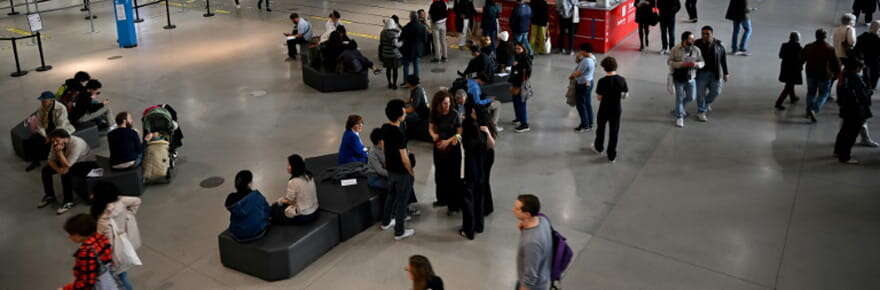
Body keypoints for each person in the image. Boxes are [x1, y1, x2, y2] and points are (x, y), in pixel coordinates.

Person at [90, 181, 141, 290]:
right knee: (122, 273)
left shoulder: (103, 217)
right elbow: (137, 201)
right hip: (124, 241)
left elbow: (104, 238)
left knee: (120, 277)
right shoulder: (121, 201)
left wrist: (107, 257)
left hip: (114, 252)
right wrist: (129, 214)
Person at [379, 99, 417, 240]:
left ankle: (386, 222)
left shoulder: (384, 127)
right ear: (399, 113)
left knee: (391, 195)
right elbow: (405, 158)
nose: (405, 111)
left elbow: (383, 148)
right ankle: (399, 231)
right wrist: (411, 172)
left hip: (390, 170)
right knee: (402, 201)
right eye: (403, 109)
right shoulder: (399, 133)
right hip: (401, 172)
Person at [39, 129, 98, 215]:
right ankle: (49, 195)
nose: (55, 143)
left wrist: (59, 152)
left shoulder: (77, 144)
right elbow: (50, 160)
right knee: (46, 170)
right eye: (53, 141)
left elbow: (68, 165)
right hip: (67, 160)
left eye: (57, 140)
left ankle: (68, 201)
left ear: (65, 138)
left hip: (85, 163)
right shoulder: (56, 143)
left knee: (66, 173)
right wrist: (58, 170)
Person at [460, 102, 495, 240]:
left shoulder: (470, 130)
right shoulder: (484, 129)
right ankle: (479, 226)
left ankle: (469, 229)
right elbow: (491, 146)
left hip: (471, 168)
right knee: (479, 197)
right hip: (482, 166)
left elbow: (465, 147)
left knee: (469, 200)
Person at [61, 214, 119, 290]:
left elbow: (87, 283)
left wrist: (66, 288)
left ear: (79, 234)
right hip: (111, 281)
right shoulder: (102, 238)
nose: (69, 237)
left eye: (71, 234)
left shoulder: (86, 253)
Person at [834, 59, 874, 164]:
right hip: (855, 109)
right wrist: (868, 93)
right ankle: (845, 156)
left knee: (844, 130)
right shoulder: (855, 78)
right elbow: (862, 95)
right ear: (856, 68)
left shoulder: (844, 76)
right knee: (851, 133)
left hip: (846, 107)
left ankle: (838, 151)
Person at [428, 90, 462, 212]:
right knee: (440, 174)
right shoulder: (434, 113)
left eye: (447, 103)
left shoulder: (455, 114)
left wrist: (448, 141)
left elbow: (459, 134)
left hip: (452, 148)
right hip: (439, 148)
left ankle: (454, 203)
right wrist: (433, 135)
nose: (446, 106)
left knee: (453, 176)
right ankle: (442, 199)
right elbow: (431, 128)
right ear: (438, 104)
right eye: (443, 103)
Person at [25, 91, 76, 172]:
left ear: (51, 100)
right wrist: (45, 136)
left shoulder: (61, 108)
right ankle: (35, 162)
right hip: (47, 130)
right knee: (33, 140)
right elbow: (39, 124)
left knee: (57, 143)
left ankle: (59, 162)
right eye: (41, 100)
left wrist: (51, 136)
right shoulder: (41, 108)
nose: (42, 102)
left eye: (44, 100)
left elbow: (61, 125)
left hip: (60, 130)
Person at [512, 194, 552, 290]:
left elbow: (530, 277)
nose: (513, 210)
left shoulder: (532, 243)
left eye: (517, 209)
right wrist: (524, 226)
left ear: (527, 214)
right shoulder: (543, 220)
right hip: (543, 274)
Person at [593, 57, 629, 163]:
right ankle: (611, 155)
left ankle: (599, 147)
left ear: (604, 68)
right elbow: (625, 95)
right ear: (615, 66)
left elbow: (599, 98)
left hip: (604, 108)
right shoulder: (622, 80)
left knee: (600, 128)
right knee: (614, 131)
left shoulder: (602, 81)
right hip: (616, 109)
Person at [802, 29, 841, 123]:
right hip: (824, 75)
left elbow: (801, 57)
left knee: (811, 92)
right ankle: (814, 109)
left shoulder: (809, 46)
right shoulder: (830, 49)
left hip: (810, 73)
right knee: (824, 93)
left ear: (816, 36)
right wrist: (836, 74)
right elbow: (835, 64)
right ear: (825, 37)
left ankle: (808, 110)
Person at [669, 31, 705, 128]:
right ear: (685, 40)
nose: (693, 40)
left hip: (691, 78)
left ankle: (679, 109)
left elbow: (702, 62)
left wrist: (697, 64)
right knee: (679, 98)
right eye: (691, 39)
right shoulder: (675, 49)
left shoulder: (696, 49)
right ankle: (679, 117)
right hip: (679, 78)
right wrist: (681, 64)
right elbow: (669, 62)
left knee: (691, 97)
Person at [694, 26, 729, 122]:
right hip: (701, 73)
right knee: (700, 93)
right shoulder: (697, 44)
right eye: (703, 34)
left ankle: (706, 103)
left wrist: (726, 72)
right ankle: (701, 111)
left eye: (707, 34)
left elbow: (723, 59)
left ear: (712, 34)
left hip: (715, 73)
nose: (704, 36)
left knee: (716, 91)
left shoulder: (719, 45)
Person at [271, 154, 320, 224]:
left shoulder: (293, 182)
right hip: (315, 210)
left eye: (289, 165)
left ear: (294, 167)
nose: (287, 167)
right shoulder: (309, 176)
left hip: (305, 215)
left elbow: (290, 200)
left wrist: (280, 201)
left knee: (276, 209)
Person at [225, 170, 271, 242]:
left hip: (237, 235)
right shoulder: (256, 196)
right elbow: (267, 210)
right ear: (249, 184)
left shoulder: (231, 199)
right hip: (257, 233)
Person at [570, 43, 597, 132]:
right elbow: (578, 62)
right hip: (589, 82)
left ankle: (584, 125)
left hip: (582, 84)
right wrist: (578, 57)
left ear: (585, 51)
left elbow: (578, 73)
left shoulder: (586, 61)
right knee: (587, 104)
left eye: (581, 50)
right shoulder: (592, 58)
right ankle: (590, 123)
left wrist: (572, 76)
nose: (580, 52)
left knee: (580, 105)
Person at [776, 31, 805, 110]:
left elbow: (781, 56)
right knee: (788, 86)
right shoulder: (799, 48)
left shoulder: (784, 45)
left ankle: (793, 97)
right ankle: (778, 103)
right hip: (794, 69)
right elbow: (802, 59)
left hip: (785, 67)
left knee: (789, 83)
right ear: (797, 39)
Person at [511, 42, 533, 133]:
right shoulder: (517, 57)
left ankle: (524, 124)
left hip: (521, 85)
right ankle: (519, 118)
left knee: (521, 103)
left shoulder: (525, 59)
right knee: (516, 102)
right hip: (515, 83)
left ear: (523, 49)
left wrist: (520, 86)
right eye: (516, 48)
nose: (517, 50)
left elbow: (527, 74)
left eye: (519, 49)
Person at [404, 75, 433, 142]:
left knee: (404, 118)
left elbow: (412, 109)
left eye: (407, 82)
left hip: (421, 113)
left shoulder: (418, 91)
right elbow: (410, 100)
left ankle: (407, 135)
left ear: (410, 83)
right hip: (418, 110)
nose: (406, 83)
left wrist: (402, 111)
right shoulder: (414, 88)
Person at [402, 11, 427, 79]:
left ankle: (406, 81)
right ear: (417, 17)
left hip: (407, 49)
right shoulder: (422, 27)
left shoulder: (406, 27)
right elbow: (425, 39)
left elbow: (401, 38)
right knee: (416, 65)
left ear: (410, 17)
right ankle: (416, 81)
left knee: (406, 65)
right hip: (417, 49)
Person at [381, 17, 404, 90]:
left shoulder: (382, 32)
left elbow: (381, 43)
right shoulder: (394, 34)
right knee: (395, 70)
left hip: (385, 54)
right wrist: (402, 42)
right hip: (394, 55)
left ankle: (389, 83)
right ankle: (394, 84)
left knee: (388, 69)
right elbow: (395, 44)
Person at [857, 21, 880, 89]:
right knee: (875, 73)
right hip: (876, 60)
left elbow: (858, 48)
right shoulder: (878, 40)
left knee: (865, 71)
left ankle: (865, 83)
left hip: (865, 58)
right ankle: (872, 85)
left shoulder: (862, 36)